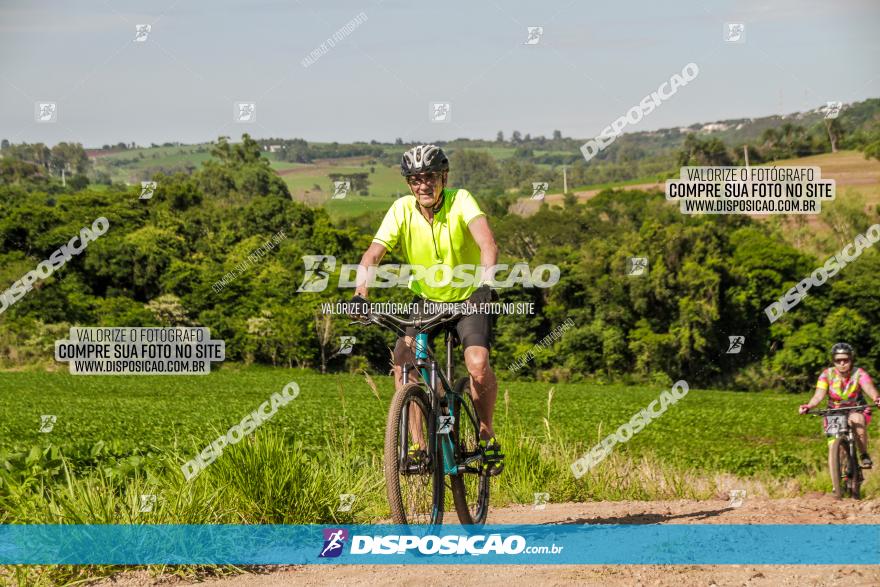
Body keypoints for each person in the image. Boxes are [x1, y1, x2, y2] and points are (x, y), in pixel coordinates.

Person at [350, 144, 503, 471]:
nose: (423, 185)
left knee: (477, 364)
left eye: (430, 177)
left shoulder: (461, 200)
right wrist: (360, 293)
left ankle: (486, 434)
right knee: (404, 363)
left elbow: (487, 243)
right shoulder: (401, 210)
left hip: (469, 300)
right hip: (428, 302)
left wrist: (486, 285)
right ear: (409, 183)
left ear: (443, 177)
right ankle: (420, 446)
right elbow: (372, 255)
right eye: (415, 179)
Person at [799, 342, 880, 468]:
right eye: (838, 360)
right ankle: (836, 485)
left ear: (851, 359)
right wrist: (809, 406)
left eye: (845, 360)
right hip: (834, 411)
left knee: (857, 420)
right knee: (834, 448)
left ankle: (864, 454)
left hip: (856, 408)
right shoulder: (826, 375)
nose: (842, 363)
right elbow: (818, 395)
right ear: (833, 361)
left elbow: (869, 388)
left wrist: (876, 399)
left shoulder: (859, 373)